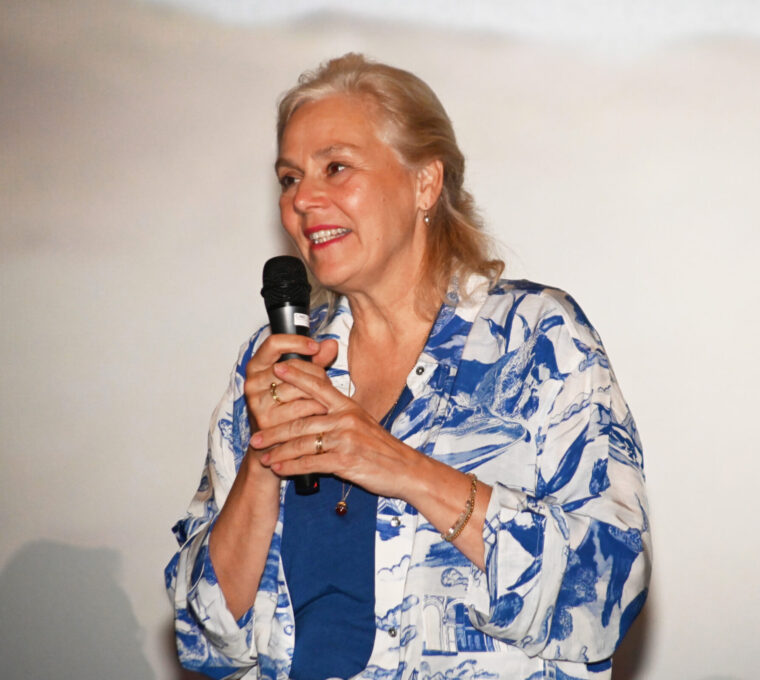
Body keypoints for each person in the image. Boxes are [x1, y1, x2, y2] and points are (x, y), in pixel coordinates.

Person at [165, 53, 651, 680]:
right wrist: (265, 454)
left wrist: (401, 467)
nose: (303, 199)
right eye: (289, 179)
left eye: (336, 168)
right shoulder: (274, 362)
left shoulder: (535, 338)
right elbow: (204, 639)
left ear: (425, 183)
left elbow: (609, 587)